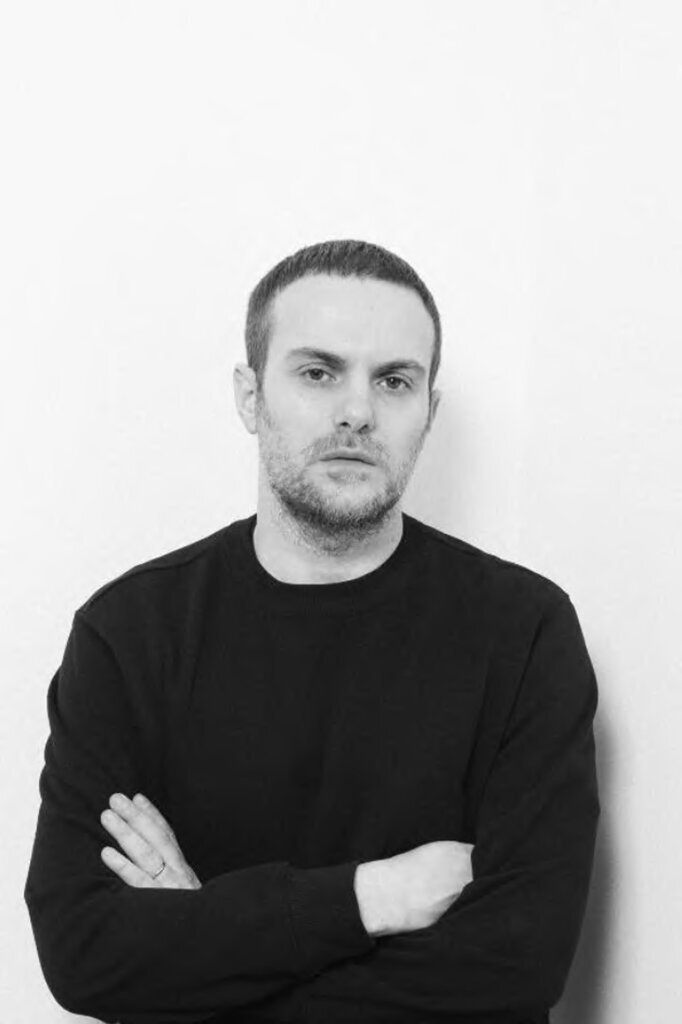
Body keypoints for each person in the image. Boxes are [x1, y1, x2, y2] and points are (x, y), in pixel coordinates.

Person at [24, 239, 600, 1024]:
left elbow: (516, 968)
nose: (357, 411)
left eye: (394, 381)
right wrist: (370, 898)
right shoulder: (129, 633)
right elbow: (83, 951)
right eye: (319, 372)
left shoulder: (525, 631)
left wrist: (205, 943)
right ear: (249, 397)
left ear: (428, 415)